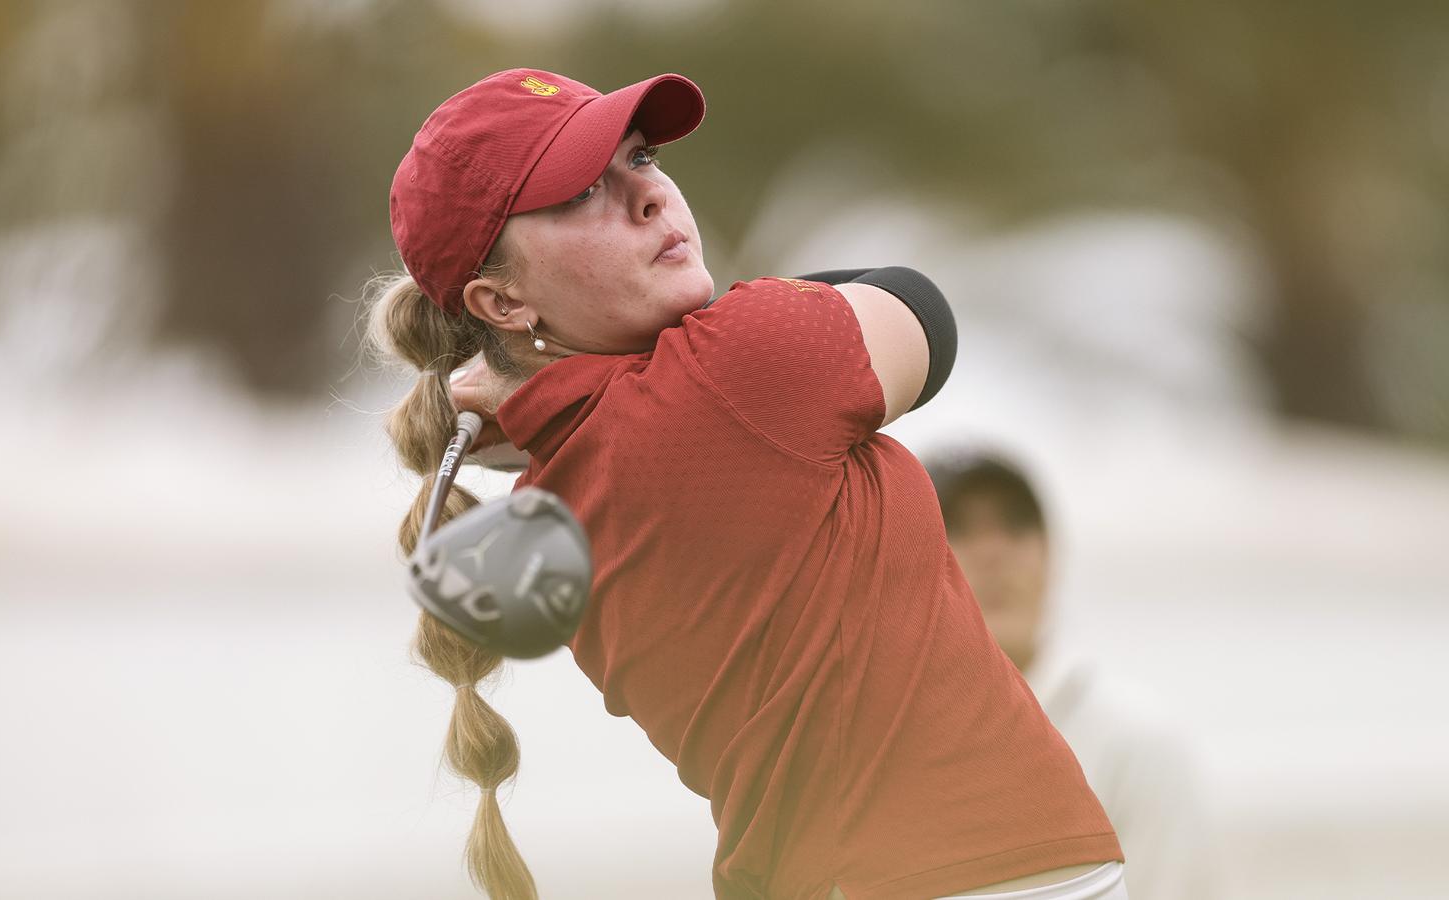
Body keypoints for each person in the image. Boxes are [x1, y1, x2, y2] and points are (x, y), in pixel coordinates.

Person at [364, 67, 1127, 900]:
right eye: (581, 191)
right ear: (501, 302)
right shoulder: (738, 367)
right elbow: (921, 311)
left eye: (643, 158)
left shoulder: (546, 496)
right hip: (979, 876)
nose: (648, 196)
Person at [924, 449, 1223, 900]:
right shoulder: (864, 742)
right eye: (959, 529)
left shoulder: (1134, 740)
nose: (993, 552)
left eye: (1016, 526)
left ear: (1050, 555)